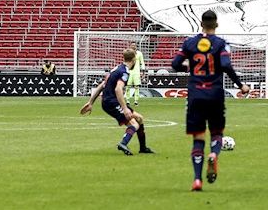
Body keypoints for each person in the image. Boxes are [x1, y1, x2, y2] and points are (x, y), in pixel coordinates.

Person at [172, 10, 250, 191]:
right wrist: (240, 85)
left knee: (198, 137)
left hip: (195, 95)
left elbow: (175, 64)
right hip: (214, 93)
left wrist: (190, 66)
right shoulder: (221, 44)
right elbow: (225, 65)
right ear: (216, 24)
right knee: (216, 132)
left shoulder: (189, 43)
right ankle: (214, 154)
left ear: (201, 24)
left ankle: (197, 180)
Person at [79, 49, 154, 156]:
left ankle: (143, 148)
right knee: (134, 124)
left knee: (139, 119)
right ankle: (123, 143)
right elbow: (118, 89)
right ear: (134, 59)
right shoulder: (124, 72)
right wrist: (125, 108)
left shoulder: (117, 68)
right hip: (112, 103)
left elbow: (102, 85)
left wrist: (91, 102)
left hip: (109, 101)